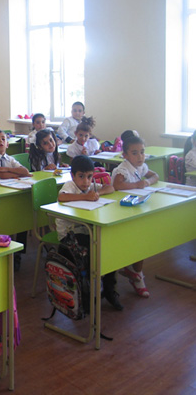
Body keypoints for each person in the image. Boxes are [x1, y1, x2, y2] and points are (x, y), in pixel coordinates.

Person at [56, 155, 122, 310]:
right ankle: (85, 294)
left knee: (110, 247)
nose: (85, 181)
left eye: (89, 177)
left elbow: (111, 187)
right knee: (92, 252)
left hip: (87, 232)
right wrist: (85, 196)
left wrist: (98, 193)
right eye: (81, 176)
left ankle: (109, 289)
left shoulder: (91, 186)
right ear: (73, 176)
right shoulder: (70, 186)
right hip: (69, 235)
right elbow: (61, 197)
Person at [112, 133, 159, 298]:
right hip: (119, 211)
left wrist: (146, 183)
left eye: (142, 151)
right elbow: (117, 185)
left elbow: (155, 176)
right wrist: (136, 185)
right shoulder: (123, 169)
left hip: (135, 208)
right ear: (125, 155)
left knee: (143, 239)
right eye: (134, 153)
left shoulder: (142, 167)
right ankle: (136, 275)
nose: (140, 156)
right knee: (137, 240)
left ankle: (134, 271)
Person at [0, 129, 30, 270]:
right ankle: (4, 249)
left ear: (8, 144)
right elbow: (1, 176)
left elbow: (25, 172)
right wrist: (8, 172)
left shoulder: (10, 159)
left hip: (10, 192)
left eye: (3, 139)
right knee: (5, 220)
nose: (1, 142)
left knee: (23, 217)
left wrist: (6, 170)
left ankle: (18, 253)